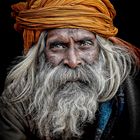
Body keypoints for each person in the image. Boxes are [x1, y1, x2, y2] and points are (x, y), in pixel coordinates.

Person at [0, 0, 140, 140]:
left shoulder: (129, 92)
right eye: (58, 45)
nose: (73, 61)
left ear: (101, 50)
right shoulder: (18, 99)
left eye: (84, 44)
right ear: (40, 54)